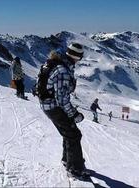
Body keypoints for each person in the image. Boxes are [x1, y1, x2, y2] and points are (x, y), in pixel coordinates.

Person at [38, 43, 89, 179]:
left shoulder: (56, 63)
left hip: (48, 105)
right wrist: (74, 114)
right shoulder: (62, 70)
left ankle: (68, 160)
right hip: (53, 107)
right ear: (77, 57)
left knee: (69, 132)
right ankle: (75, 169)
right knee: (74, 134)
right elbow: (62, 99)